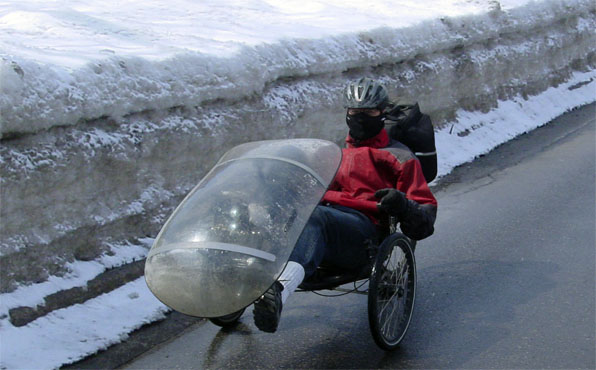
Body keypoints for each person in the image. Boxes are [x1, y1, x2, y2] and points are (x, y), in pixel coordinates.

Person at [253, 78, 438, 333]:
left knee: (318, 218)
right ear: (347, 113)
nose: (360, 117)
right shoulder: (333, 154)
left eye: (369, 112)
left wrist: (403, 204)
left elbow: (425, 217)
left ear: (382, 113)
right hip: (324, 219)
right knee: (270, 211)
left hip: (364, 234)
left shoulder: (400, 157)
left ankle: (279, 291)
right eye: (355, 112)